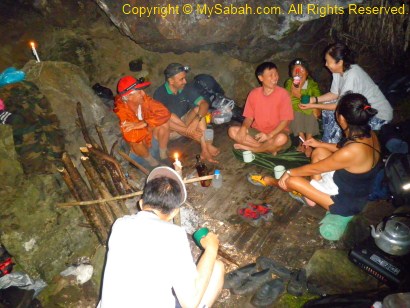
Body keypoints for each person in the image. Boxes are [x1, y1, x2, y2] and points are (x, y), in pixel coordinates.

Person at [98, 166, 225, 307]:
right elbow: (190, 302)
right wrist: (211, 248)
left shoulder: (120, 224)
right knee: (217, 267)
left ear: (141, 204)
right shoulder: (174, 235)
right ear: (174, 213)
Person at [272, 93, 381, 240]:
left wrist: (289, 172)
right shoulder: (367, 133)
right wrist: (319, 144)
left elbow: (317, 168)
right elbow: (344, 151)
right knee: (320, 151)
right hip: (352, 184)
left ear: (341, 118)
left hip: (347, 201)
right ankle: (313, 196)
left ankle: (319, 198)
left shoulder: (352, 150)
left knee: (291, 180)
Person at [300, 42, 393, 143]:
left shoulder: (352, 75)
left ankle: (333, 143)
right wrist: (314, 100)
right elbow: (334, 94)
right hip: (357, 109)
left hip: (377, 116)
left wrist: (313, 106)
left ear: (339, 62)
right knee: (328, 106)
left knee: (339, 114)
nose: (325, 64)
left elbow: (340, 106)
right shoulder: (338, 71)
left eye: (328, 61)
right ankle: (329, 139)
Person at [154, 63, 220, 163]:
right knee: (169, 116)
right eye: (181, 79)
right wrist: (188, 131)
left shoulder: (187, 88)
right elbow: (164, 120)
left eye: (185, 78)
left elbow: (204, 104)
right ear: (171, 81)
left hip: (185, 123)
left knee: (199, 110)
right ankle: (163, 154)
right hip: (169, 130)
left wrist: (196, 120)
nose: (185, 81)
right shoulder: (160, 94)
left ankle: (205, 150)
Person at [228, 62, 294, 155]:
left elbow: (285, 121)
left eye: (276, 74)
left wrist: (269, 135)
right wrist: (243, 128)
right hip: (258, 133)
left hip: (276, 133)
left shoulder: (283, 94)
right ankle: (267, 149)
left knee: (281, 139)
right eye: (271, 75)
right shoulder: (254, 94)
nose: (275, 78)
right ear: (261, 78)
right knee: (232, 131)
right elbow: (249, 117)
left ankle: (255, 149)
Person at [114, 76, 171, 167]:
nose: (143, 93)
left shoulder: (144, 99)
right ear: (129, 96)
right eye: (139, 91)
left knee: (164, 123)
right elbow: (134, 137)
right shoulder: (121, 112)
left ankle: (163, 155)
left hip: (149, 141)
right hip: (139, 155)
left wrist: (144, 123)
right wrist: (148, 126)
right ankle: (153, 162)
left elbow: (165, 112)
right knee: (136, 141)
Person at [284, 59, 321, 157]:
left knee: (311, 112)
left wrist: (300, 95)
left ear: (307, 72)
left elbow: (318, 99)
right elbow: (289, 99)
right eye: (295, 71)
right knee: (296, 113)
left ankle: (307, 144)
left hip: (309, 112)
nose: (298, 73)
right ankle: (303, 142)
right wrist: (296, 87)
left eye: (301, 70)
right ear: (291, 73)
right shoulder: (289, 82)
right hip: (296, 111)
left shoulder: (312, 84)